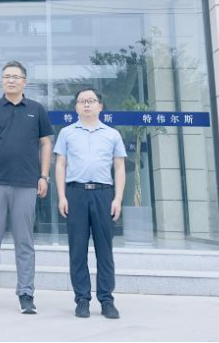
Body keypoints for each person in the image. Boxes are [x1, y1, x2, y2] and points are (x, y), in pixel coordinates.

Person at [0, 61, 53, 315]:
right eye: (7, 76)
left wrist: (44, 176)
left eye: (16, 76)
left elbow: (46, 144)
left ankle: (26, 294)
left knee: (24, 241)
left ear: (24, 81)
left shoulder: (37, 110)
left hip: (27, 184)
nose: (11, 80)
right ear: (2, 81)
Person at [55, 86, 126, 320]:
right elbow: (60, 165)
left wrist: (117, 199)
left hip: (103, 194)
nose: (86, 104)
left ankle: (106, 300)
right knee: (77, 250)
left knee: (105, 250)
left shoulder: (112, 134)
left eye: (91, 100)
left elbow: (119, 168)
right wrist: (62, 196)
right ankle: (82, 299)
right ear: (76, 107)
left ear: (100, 106)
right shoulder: (66, 133)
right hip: (75, 194)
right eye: (82, 101)